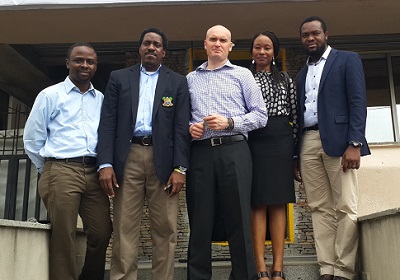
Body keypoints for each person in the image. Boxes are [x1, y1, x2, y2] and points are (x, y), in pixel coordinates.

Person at [97, 27, 190, 280]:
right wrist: (105, 162)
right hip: (127, 159)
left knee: (166, 230)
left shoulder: (177, 81)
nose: (151, 47)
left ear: (164, 52)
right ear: (140, 48)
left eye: (156, 44)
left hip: (165, 162)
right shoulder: (119, 78)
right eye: (147, 43)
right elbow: (108, 122)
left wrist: (180, 168)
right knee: (125, 228)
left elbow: (182, 128)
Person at [23, 42, 112, 280]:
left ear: (95, 66)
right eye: (79, 60)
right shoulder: (50, 95)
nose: (84, 65)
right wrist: (49, 169)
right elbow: (32, 139)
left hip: (93, 171)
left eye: (90, 61)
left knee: (102, 232)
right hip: (61, 169)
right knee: (64, 235)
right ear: (68, 63)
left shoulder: (101, 99)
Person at [186, 24, 268, 280]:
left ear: (230, 46)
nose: (218, 43)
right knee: (199, 220)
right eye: (213, 39)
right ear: (205, 44)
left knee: (239, 220)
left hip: (234, 150)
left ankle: (244, 276)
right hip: (200, 154)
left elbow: (260, 115)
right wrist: (190, 128)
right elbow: (182, 118)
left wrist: (230, 123)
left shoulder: (243, 75)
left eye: (223, 40)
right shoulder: (190, 79)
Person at [294, 16, 370, 280]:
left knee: (346, 206)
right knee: (318, 207)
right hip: (308, 141)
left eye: (315, 33)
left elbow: (358, 102)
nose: (310, 38)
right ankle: (326, 267)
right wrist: (296, 155)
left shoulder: (347, 59)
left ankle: (344, 269)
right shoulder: (302, 73)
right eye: (305, 35)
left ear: (326, 34)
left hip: (341, 142)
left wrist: (355, 143)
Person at [247, 31, 297, 280]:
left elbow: (295, 117)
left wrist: (296, 155)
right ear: (252, 51)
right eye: (258, 47)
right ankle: (260, 268)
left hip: (281, 142)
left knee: (279, 203)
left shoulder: (286, 79)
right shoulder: (243, 78)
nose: (262, 52)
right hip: (254, 142)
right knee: (257, 203)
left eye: (267, 48)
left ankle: (278, 268)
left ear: (274, 52)